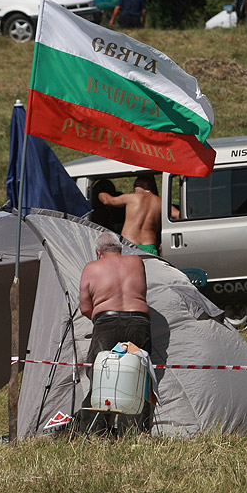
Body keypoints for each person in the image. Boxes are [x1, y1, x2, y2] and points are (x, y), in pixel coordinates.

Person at [79, 231, 153, 431]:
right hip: (139, 321)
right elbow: (142, 293)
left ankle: (97, 430)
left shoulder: (92, 267)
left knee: (101, 375)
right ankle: (135, 431)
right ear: (120, 249)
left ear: (98, 252)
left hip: (106, 321)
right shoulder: (136, 262)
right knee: (139, 375)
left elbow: (85, 307)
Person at [96, 174, 162, 255]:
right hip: (149, 245)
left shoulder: (132, 197)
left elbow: (108, 200)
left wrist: (99, 191)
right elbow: (177, 215)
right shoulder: (160, 202)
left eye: (135, 186)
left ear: (145, 185)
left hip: (130, 245)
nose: (133, 189)